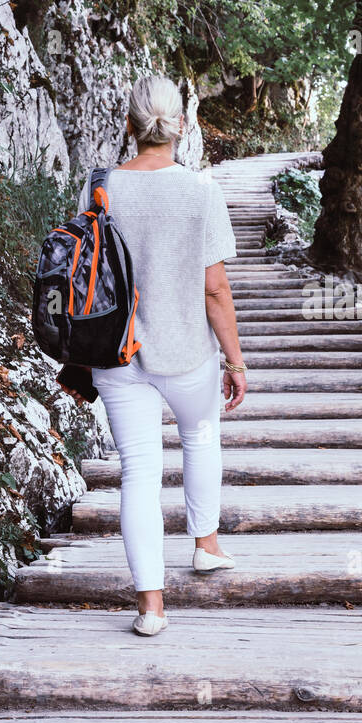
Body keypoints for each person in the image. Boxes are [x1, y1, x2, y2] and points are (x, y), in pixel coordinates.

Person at [59, 75, 247, 637]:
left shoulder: (100, 187)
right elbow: (215, 289)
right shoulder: (200, 191)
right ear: (180, 127)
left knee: (138, 472)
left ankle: (151, 608)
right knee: (201, 436)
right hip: (186, 349)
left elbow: (83, 271)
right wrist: (235, 361)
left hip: (114, 351)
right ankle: (206, 545)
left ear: (129, 125)